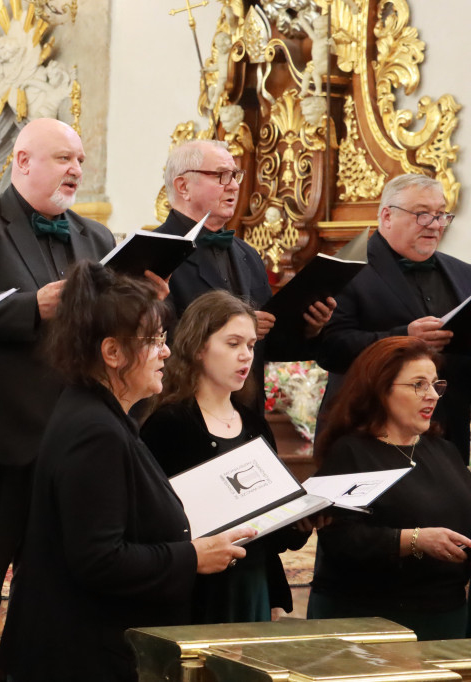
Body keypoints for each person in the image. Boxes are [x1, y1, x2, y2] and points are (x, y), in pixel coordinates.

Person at [0, 118, 121, 682]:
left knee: (54, 578)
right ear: (22, 160)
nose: (76, 170)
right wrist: (31, 306)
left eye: (80, 160)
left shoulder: (97, 239)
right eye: (63, 158)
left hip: (71, 436)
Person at [0, 262, 252, 682]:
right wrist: (192, 557)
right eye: (153, 341)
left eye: (164, 339)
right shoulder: (94, 431)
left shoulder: (102, 414)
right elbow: (98, 559)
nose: (166, 352)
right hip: (82, 656)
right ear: (112, 353)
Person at [141, 290, 310, 624]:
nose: (246, 356)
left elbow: (273, 531)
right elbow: (157, 524)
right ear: (199, 347)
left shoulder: (254, 424)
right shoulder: (169, 424)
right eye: (233, 344)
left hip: (252, 583)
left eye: (250, 345)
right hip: (196, 592)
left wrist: (303, 520)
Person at [308, 336, 471, 640]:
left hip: (447, 616)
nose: (432, 395)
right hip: (375, 621)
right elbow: (340, 540)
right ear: (380, 389)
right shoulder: (351, 452)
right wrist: (414, 540)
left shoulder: (445, 450)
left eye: (436, 385)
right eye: (418, 385)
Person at [157, 139, 334, 409]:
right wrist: (236, 327)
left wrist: (309, 327)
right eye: (220, 176)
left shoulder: (247, 254)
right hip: (183, 409)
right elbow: (154, 340)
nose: (234, 185)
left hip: (246, 411)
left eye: (235, 175)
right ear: (183, 186)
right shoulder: (155, 251)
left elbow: (269, 346)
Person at [318, 173, 471, 462]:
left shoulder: (464, 273)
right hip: (370, 431)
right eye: (423, 215)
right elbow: (331, 348)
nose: (436, 225)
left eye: (441, 215)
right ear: (387, 216)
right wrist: (405, 338)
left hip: (448, 435)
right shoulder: (346, 268)